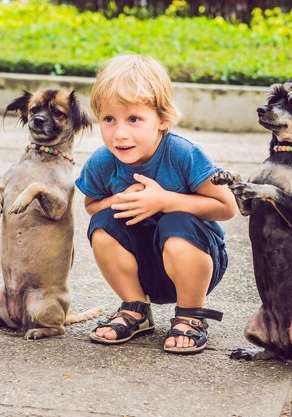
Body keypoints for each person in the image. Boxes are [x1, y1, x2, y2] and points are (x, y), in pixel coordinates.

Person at [75, 54, 236, 354]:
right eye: (109, 119)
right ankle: (135, 307)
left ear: (162, 120)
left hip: (192, 261)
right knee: (103, 224)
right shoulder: (102, 161)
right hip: (142, 265)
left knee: (177, 222)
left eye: (133, 119)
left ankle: (190, 315)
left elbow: (226, 206)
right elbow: (92, 207)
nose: (120, 133)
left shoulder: (183, 154)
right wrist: (119, 200)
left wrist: (164, 200)